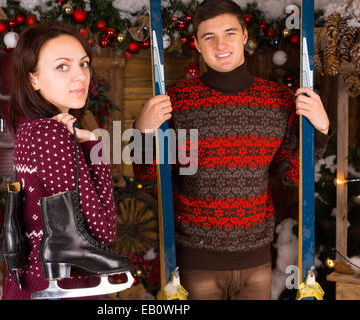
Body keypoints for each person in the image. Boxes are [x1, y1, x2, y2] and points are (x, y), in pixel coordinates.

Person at [132, 0, 331, 300]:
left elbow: (292, 174)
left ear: (245, 36)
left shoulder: (278, 100)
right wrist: (143, 132)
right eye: (209, 36)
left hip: (257, 261)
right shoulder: (176, 100)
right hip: (196, 260)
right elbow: (148, 175)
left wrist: (321, 130)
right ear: (197, 45)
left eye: (229, 33)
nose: (220, 44)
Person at [4, 22, 116, 300]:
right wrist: (93, 144)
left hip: (34, 282)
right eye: (62, 67)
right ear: (34, 79)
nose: (80, 76)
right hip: (62, 288)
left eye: (84, 64)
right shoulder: (52, 132)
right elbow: (102, 230)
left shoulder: (31, 128)